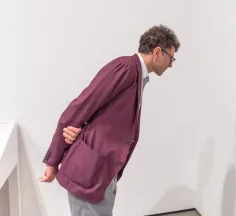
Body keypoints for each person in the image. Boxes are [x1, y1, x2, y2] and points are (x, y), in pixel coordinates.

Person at [39, 25, 180, 216]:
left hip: (101, 173)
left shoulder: (137, 75)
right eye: (170, 58)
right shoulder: (125, 69)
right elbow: (80, 107)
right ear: (157, 52)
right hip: (89, 175)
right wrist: (52, 161)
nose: (170, 65)